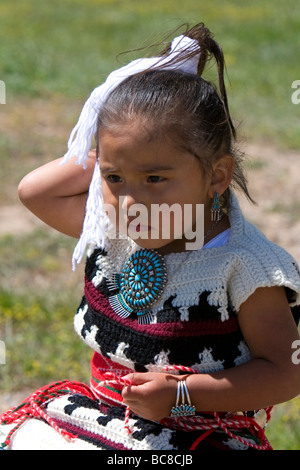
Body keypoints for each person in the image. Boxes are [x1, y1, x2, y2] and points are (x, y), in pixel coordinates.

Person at [1, 23, 300, 451]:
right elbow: (34, 190)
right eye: (114, 178)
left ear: (217, 175)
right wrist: (114, 147)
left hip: (199, 436)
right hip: (103, 419)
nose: (129, 202)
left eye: (155, 178)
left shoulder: (245, 266)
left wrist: (182, 396)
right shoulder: (117, 228)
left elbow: (285, 372)